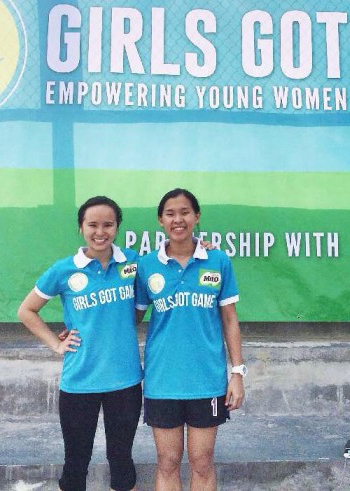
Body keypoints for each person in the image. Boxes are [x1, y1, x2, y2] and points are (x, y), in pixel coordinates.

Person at [18, 196, 143, 491]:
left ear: (117, 227)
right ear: (81, 228)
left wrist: (207, 249)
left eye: (108, 225)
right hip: (79, 381)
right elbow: (26, 310)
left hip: (124, 380)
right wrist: (55, 343)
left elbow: (172, 258)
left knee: (121, 459)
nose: (101, 232)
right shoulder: (64, 270)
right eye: (93, 225)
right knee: (76, 461)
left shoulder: (134, 262)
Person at [134, 188, 247, 491]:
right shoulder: (146, 266)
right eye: (170, 213)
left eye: (185, 212)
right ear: (160, 220)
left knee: (202, 461)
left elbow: (229, 319)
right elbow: (129, 318)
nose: (178, 219)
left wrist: (237, 374)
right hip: (162, 380)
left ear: (197, 217)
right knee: (167, 462)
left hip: (207, 380)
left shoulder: (218, 260)